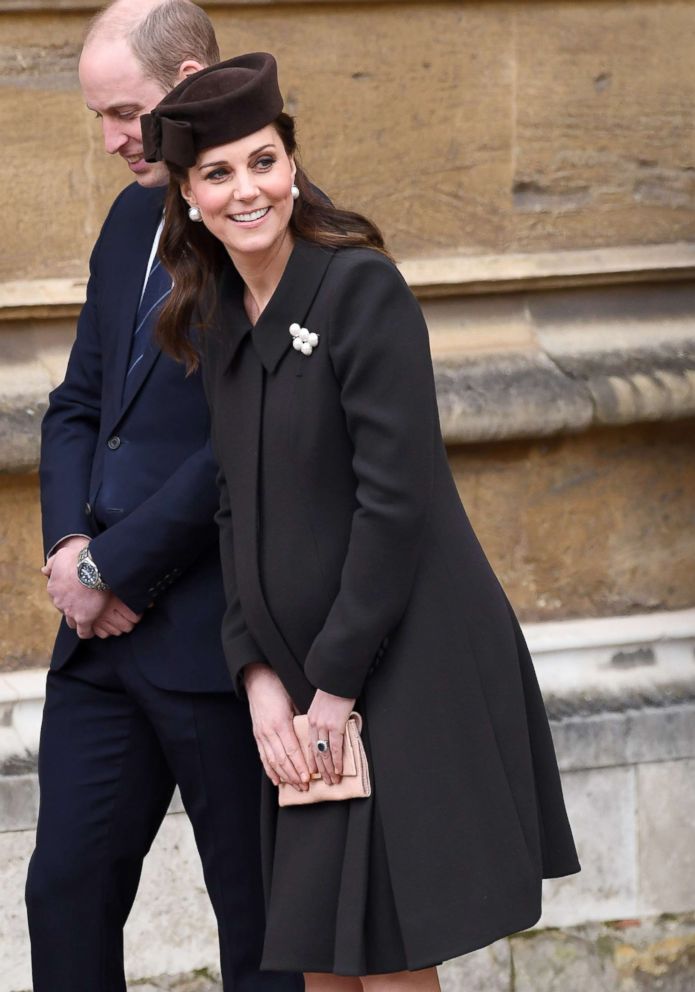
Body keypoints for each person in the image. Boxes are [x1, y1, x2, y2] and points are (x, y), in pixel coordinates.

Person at [144, 53, 581, 991]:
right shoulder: (214, 320)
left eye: (261, 161)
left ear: (292, 166)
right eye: (217, 173)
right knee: (324, 965)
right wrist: (256, 673)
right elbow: (232, 511)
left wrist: (331, 692)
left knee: (383, 959)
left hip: (395, 670)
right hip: (303, 687)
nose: (246, 189)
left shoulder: (360, 291)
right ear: (186, 196)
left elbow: (397, 505)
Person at [26, 5, 302, 991]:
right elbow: (77, 404)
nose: (110, 140)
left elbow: (249, 440)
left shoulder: (269, 226)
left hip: (219, 648)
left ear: (188, 78)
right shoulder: (130, 213)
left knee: (258, 925)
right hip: (99, 645)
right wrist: (69, 550)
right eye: (99, 116)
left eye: (125, 113)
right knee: (63, 889)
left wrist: (115, 566)